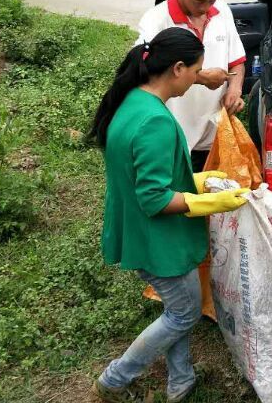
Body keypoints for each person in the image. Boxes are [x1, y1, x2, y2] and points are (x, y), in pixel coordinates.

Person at [89, 27, 248, 403]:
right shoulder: (156, 122)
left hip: (136, 228)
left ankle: (181, 380)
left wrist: (198, 178)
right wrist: (206, 203)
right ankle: (114, 379)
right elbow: (155, 198)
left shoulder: (131, 100)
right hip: (157, 237)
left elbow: (147, 174)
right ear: (177, 68)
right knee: (183, 314)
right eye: (195, 71)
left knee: (178, 306)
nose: (197, 79)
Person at [136, 0, 247, 170]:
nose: (206, 7)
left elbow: (237, 61)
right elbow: (143, 67)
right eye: (199, 1)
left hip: (214, 135)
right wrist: (201, 77)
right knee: (180, 199)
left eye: (212, 0)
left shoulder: (222, 10)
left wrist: (234, 89)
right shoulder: (156, 20)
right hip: (175, 137)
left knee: (212, 196)